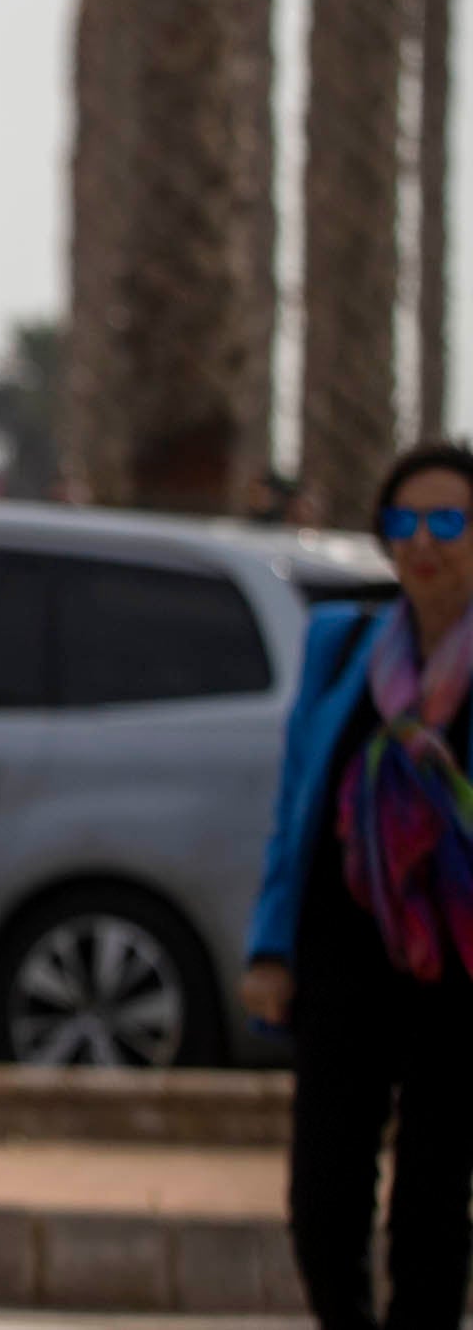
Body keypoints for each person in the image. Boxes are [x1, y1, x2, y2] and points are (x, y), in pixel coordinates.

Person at [244, 439, 473, 1330]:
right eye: (405, 521)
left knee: (432, 1198)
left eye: (449, 521)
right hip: (345, 957)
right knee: (323, 1197)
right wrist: (271, 947)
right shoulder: (342, 646)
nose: (425, 542)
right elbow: (295, 806)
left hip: (460, 972)